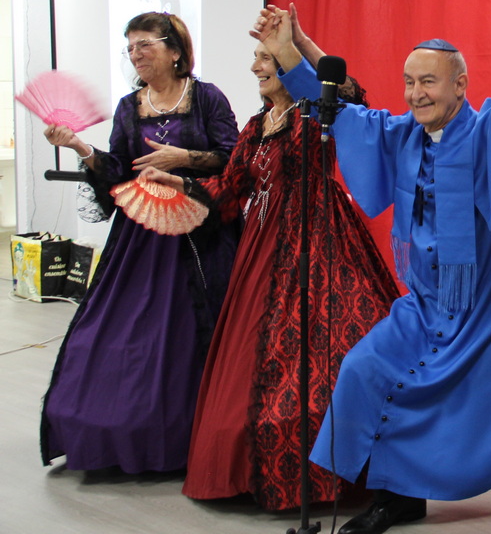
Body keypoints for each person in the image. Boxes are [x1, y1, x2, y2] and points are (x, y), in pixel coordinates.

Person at [254, 0, 491, 534]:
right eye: (408, 82)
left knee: (472, 435)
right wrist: (289, 50)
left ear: (460, 85)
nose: (415, 93)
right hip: (423, 308)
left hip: (486, 315)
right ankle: (398, 499)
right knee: (365, 372)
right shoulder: (400, 133)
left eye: (428, 81)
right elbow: (333, 107)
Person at [142, 32, 403, 510]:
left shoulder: (316, 111)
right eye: (256, 58)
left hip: (321, 242)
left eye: (265, 58)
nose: (255, 67)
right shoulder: (256, 125)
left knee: (328, 356)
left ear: (287, 63)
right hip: (262, 249)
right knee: (252, 361)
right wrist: (176, 181)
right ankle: (250, 470)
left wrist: (299, 41)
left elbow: (353, 98)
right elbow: (229, 188)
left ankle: (342, 472)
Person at [40, 11, 239, 473]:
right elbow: (118, 170)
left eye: (145, 44)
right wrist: (80, 147)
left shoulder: (207, 98)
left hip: (198, 234)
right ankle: (117, 432)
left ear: (175, 49)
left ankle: (190, 436)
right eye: (130, 47)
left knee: (189, 337)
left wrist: (182, 158)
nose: (136, 54)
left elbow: (232, 159)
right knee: (119, 334)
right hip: (141, 237)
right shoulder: (130, 107)